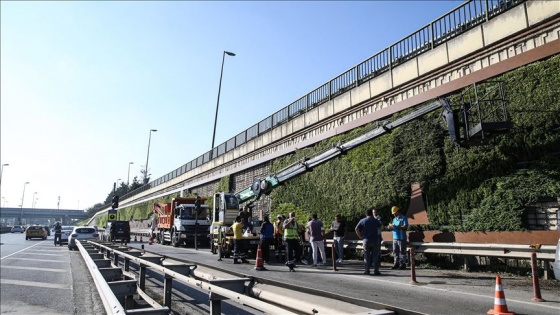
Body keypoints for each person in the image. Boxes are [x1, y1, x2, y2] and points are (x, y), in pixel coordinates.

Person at [355, 209, 382, 275]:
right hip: (375, 240)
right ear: (372, 214)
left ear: (366, 214)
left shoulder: (363, 220)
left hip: (366, 240)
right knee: (375, 256)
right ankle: (376, 270)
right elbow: (379, 226)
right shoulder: (375, 220)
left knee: (366, 256)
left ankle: (367, 270)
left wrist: (360, 236)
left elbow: (356, 228)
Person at [388, 206, 408, 270]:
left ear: (398, 211)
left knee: (402, 251)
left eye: (395, 213)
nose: (394, 214)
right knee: (395, 251)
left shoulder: (403, 218)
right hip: (395, 238)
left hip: (401, 238)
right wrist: (390, 227)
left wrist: (397, 227)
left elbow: (405, 227)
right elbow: (393, 227)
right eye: (393, 213)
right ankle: (396, 263)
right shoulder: (394, 219)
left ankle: (402, 264)